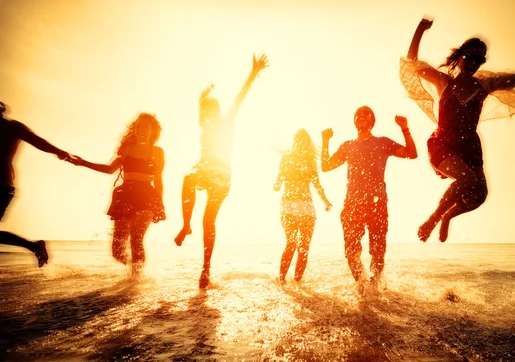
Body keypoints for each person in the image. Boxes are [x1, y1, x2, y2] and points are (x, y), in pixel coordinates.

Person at [400, 17, 515, 243]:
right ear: (460, 57)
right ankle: (433, 219)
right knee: (466, 179)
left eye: (480, 59)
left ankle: (447, 217)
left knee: (480, 195)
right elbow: (412, 62)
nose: (475, 62)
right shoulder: (443, 82)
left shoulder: (484, 85)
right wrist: (420, 30)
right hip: (443, 142)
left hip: (469, 145)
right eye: (471, 57)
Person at [174, 53, 269, 289]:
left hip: (222, 177)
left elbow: (239, 99)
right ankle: (186, 225)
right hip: (206, 172)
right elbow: (200, 115)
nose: (208, 116)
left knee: (208, 220)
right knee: (188, 178)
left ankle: (205, 269)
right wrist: (201, 100)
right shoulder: (205, 126)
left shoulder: (226, 122)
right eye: (206, 112)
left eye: (211, 111)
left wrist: (252, 74)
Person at [321, 106, 417, 287]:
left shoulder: (383, 142)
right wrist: (325, 141)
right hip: (352, 204)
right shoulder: (347, 146)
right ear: (354, 121)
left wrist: (405, 129)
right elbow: (326, 166)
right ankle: (363, 286)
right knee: (351, 251)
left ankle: (375, 286)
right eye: (358, 114)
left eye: (366, 114)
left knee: (378, 251)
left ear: (372, 121)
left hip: (377, 203)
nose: (361, 116)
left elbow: (412, 154)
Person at [71, 113, 165, 274]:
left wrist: (159, 203)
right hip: (125, 195)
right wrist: (83, 163)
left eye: (145, 127)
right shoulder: (127, 150)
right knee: (116, 250)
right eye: (138, 127)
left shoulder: (156, 152)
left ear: (152, 131)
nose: (140, 130)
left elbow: (158, 179)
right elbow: (109, 169)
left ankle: (136, 280)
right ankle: (131, 270)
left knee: (136, 239)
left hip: (146, 196)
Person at [0, 101, 74, 267]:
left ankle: (34, 246)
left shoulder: (12, 127)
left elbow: (37, 141)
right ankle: (34, 246)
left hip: (2, 185)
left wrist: (59, 152)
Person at [274, 129, 332, 283]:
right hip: (288, 205)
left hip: (306, 206)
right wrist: (277, 183)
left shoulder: (310, 161)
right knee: (291, 243)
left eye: (303, 139)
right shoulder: (286, 158)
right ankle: (281, 280)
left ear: (307, 142)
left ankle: (297, 283)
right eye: (297, 138)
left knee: (304, 247)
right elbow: (278, 181)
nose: (299, 141)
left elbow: (317, 184)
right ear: (294, 140)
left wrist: (325, 200)